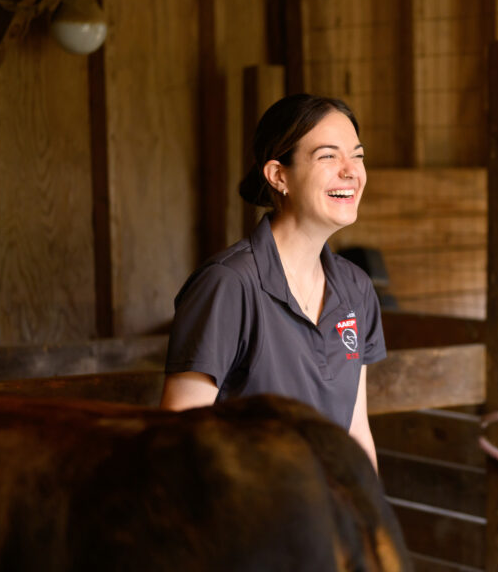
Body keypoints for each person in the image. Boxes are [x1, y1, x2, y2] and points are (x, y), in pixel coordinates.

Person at [161, 94, 385, 472]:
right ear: (279, 176)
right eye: (329, 156)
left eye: (358, 155)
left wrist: (368, 522)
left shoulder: (356, 288)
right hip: (252, 521)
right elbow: (179, 436)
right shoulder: (228, 284)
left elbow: (355, 428)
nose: (351, 170)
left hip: (327, 519)